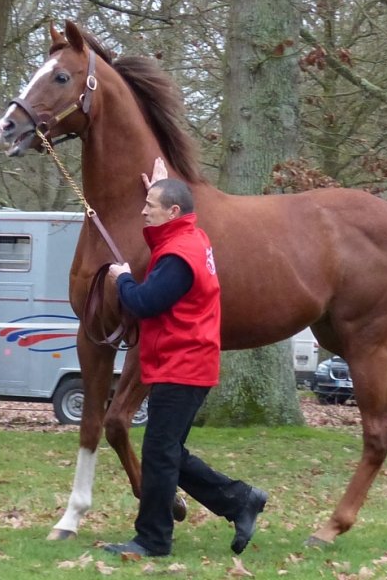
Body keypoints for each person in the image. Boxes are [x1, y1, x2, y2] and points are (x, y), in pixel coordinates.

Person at [104, 158, 267, 558]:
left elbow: (144, 302)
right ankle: (240, 500)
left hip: (182, 367)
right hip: (187, 365)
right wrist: (159, 187)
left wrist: (122, 279)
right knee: (168, 451)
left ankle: (153, 539)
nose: (144, 213)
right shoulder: (192, 239)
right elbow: (167, 238)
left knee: (159, 454)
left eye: (150, 207)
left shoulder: (179, 256)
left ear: (173, 211)